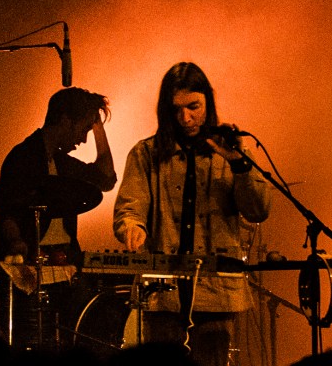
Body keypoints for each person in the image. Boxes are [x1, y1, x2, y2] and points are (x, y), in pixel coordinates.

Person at [113, 61, 272, 366]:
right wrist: (132, 226)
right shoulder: (145, 154)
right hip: (163, 294)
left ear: (208, 102)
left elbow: (258, 210)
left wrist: (238, 164)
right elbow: (129, 208)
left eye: (193, 107)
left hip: (217, 292)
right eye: (175, 110)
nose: (185, 118)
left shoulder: (230, 151)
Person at [0, 86, 118, 352]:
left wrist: (98, 128)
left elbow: (106, 179)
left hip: (65, 271)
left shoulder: (62, 163)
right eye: (82, 128)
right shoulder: (22, 157)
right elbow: (7, 211)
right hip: (29, 275)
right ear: (64, 120)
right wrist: (16, 242)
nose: (83, 139)